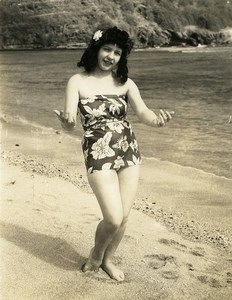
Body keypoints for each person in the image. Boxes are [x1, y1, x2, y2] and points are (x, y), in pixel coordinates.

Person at [54, 26, 173, 282]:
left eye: (117, 52)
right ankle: (96, 255)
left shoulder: (126, 83)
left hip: (128, 150)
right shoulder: (77, 81)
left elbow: (143, 113)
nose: (111, 56)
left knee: (125, 216)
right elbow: (71, 121)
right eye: (107, 49)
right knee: (113, 216)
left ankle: (108, 260)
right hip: (98, 152)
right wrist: (65, 123)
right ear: (96, 49)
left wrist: (157, 122)